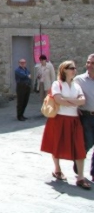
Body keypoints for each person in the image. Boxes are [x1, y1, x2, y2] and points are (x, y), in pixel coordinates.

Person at [40, 60, 91, 190]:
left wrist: (66, 101)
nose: (74, 70)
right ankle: (57, 169)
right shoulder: (57, 84)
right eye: (71, 68)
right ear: (64, 70)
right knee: (56, 144)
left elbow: (83, 100)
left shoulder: (76, 85)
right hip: (59, 119)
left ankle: (80, 177)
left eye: (74, 68)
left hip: (74, 120)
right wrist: (75, 102)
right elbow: (57, 100)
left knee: (79, 147)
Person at [74, 54, 94, 182]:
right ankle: (78, 165)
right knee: (87, 143)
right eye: (88, 62)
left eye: (92, 63)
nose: (89, 65)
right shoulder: (79, 80)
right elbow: (72, 95)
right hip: (86, 116)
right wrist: (75, 108)